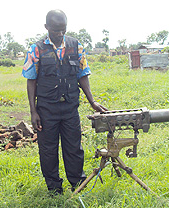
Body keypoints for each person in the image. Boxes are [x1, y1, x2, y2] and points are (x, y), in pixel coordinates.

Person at [22, 9, 108, 195]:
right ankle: (54, 189)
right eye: (55, 30)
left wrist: (92, 101)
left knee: (74, 148)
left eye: (63, 29)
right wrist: (33, 111)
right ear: (46, 27)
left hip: (70, 107)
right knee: (48, 150)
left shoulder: (75, 46)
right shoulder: (36, 49)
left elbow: (82, 75)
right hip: (46, 110)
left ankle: (77, 184)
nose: (60, 34)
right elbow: (31, 80)